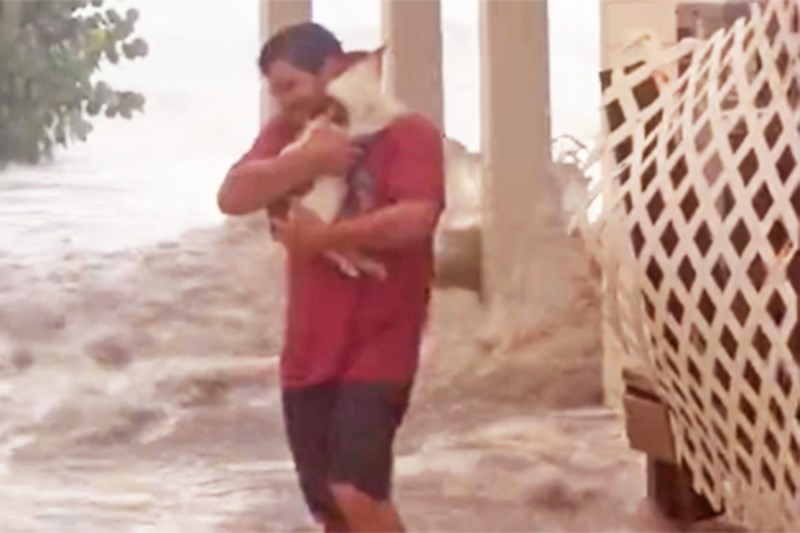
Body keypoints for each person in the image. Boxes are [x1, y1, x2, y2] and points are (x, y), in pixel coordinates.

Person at [216, 22, 445, 533]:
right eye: (274, 93)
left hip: (381, 340)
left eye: (291, 86)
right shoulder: (286, 135)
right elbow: (232, 196)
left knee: (357, 491)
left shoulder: (409, 133)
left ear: (334, 70)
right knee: (329, 510)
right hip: (307, 347)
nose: (283, 103)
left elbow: (417, 219)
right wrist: (308, 159)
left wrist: (323, 239)